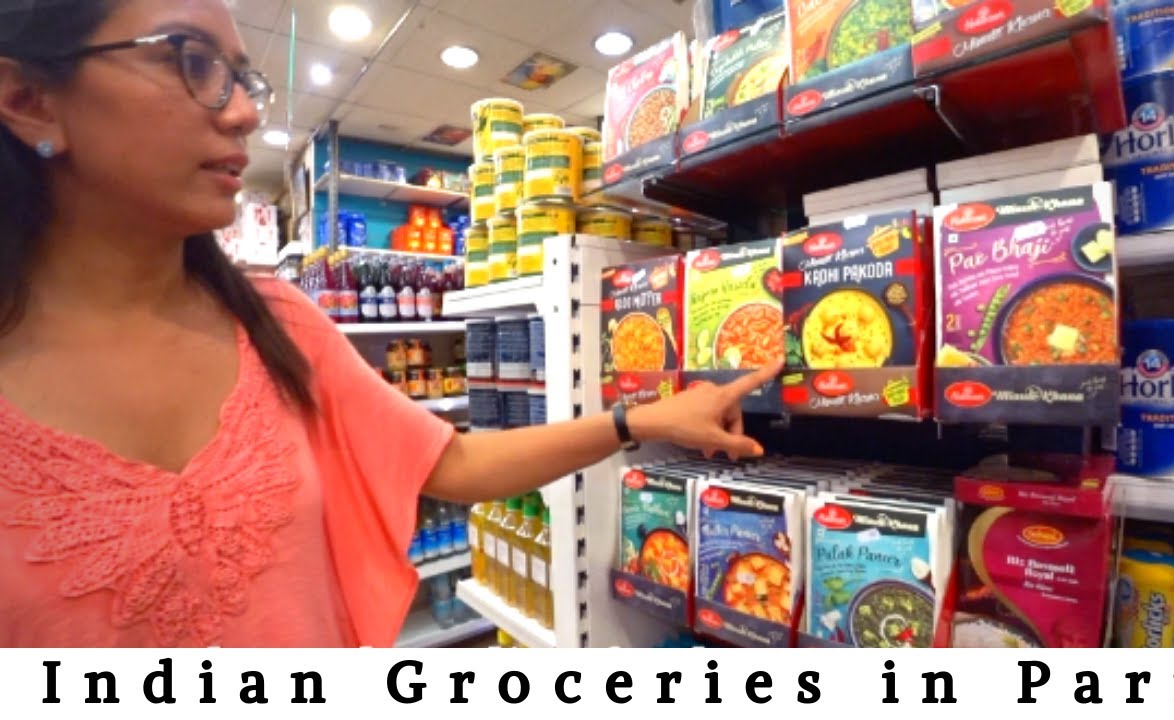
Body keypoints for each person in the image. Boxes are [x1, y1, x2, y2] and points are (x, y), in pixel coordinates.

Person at [0, 0, 778, 648]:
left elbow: (455, 466)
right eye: (190, 61)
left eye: (243, 79)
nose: (239, 113)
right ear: (29, 99)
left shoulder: (277, 323)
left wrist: (642, 418)